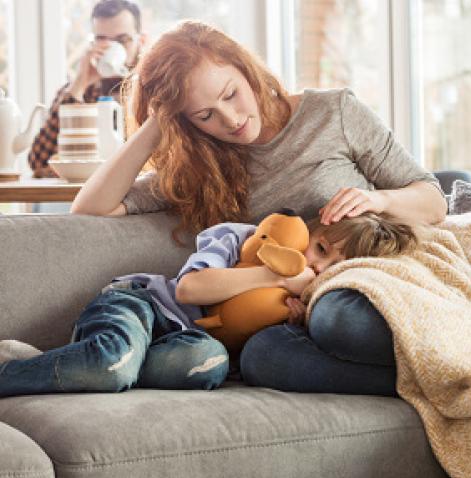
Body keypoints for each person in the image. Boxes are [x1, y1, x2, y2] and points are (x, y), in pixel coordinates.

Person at [69, 20, 446, 396]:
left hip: (362, 287)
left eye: (231, 94)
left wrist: (379, 200)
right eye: (204, 115)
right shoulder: (201, 170)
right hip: (289, 318)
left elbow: (433, 200)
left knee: (338, 320)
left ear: (246, 70)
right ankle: (422, 384)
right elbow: (91, 209)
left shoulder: (334, 113)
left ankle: (429, 373)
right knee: (261, 358)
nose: (230, 120)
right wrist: (156, 123)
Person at [0, 211, 418, 397]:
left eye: (330, 267)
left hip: (186, 346)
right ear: (311, 228)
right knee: (112, 362)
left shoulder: (310, 308)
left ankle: (76, 361)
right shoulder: (245, 238)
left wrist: (299, 312)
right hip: (142, 306)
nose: (315, 264)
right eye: (322, 247)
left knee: (206, 366)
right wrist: (274, 274)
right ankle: (17, 369)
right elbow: (189, 291)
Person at [28, 0, 146, 178]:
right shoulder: (81, 91)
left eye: (122, 40)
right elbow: (39, 161)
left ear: (141, 40)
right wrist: (79, 85)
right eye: (101, 39)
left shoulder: (154, 89)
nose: (111, 48)